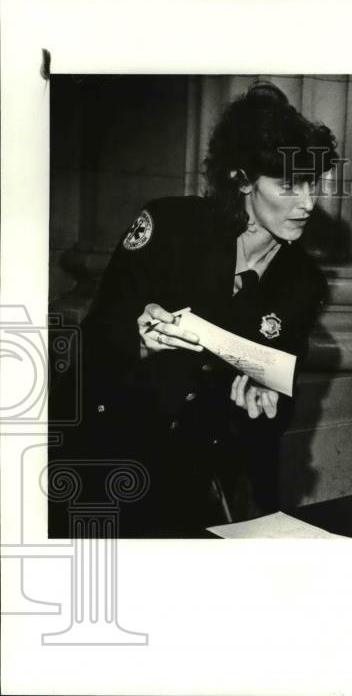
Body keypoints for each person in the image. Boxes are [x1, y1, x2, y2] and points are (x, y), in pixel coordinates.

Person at [54, 83, 335, 538]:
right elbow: (94, 341)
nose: (307, 203)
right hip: (110, 454)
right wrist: (140, 343)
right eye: (289, 184)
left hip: (198, 473)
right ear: (243, 179)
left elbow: (280, 389)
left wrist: (261, 406)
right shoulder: (169, 228)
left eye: (312, 183)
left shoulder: (305, 282)